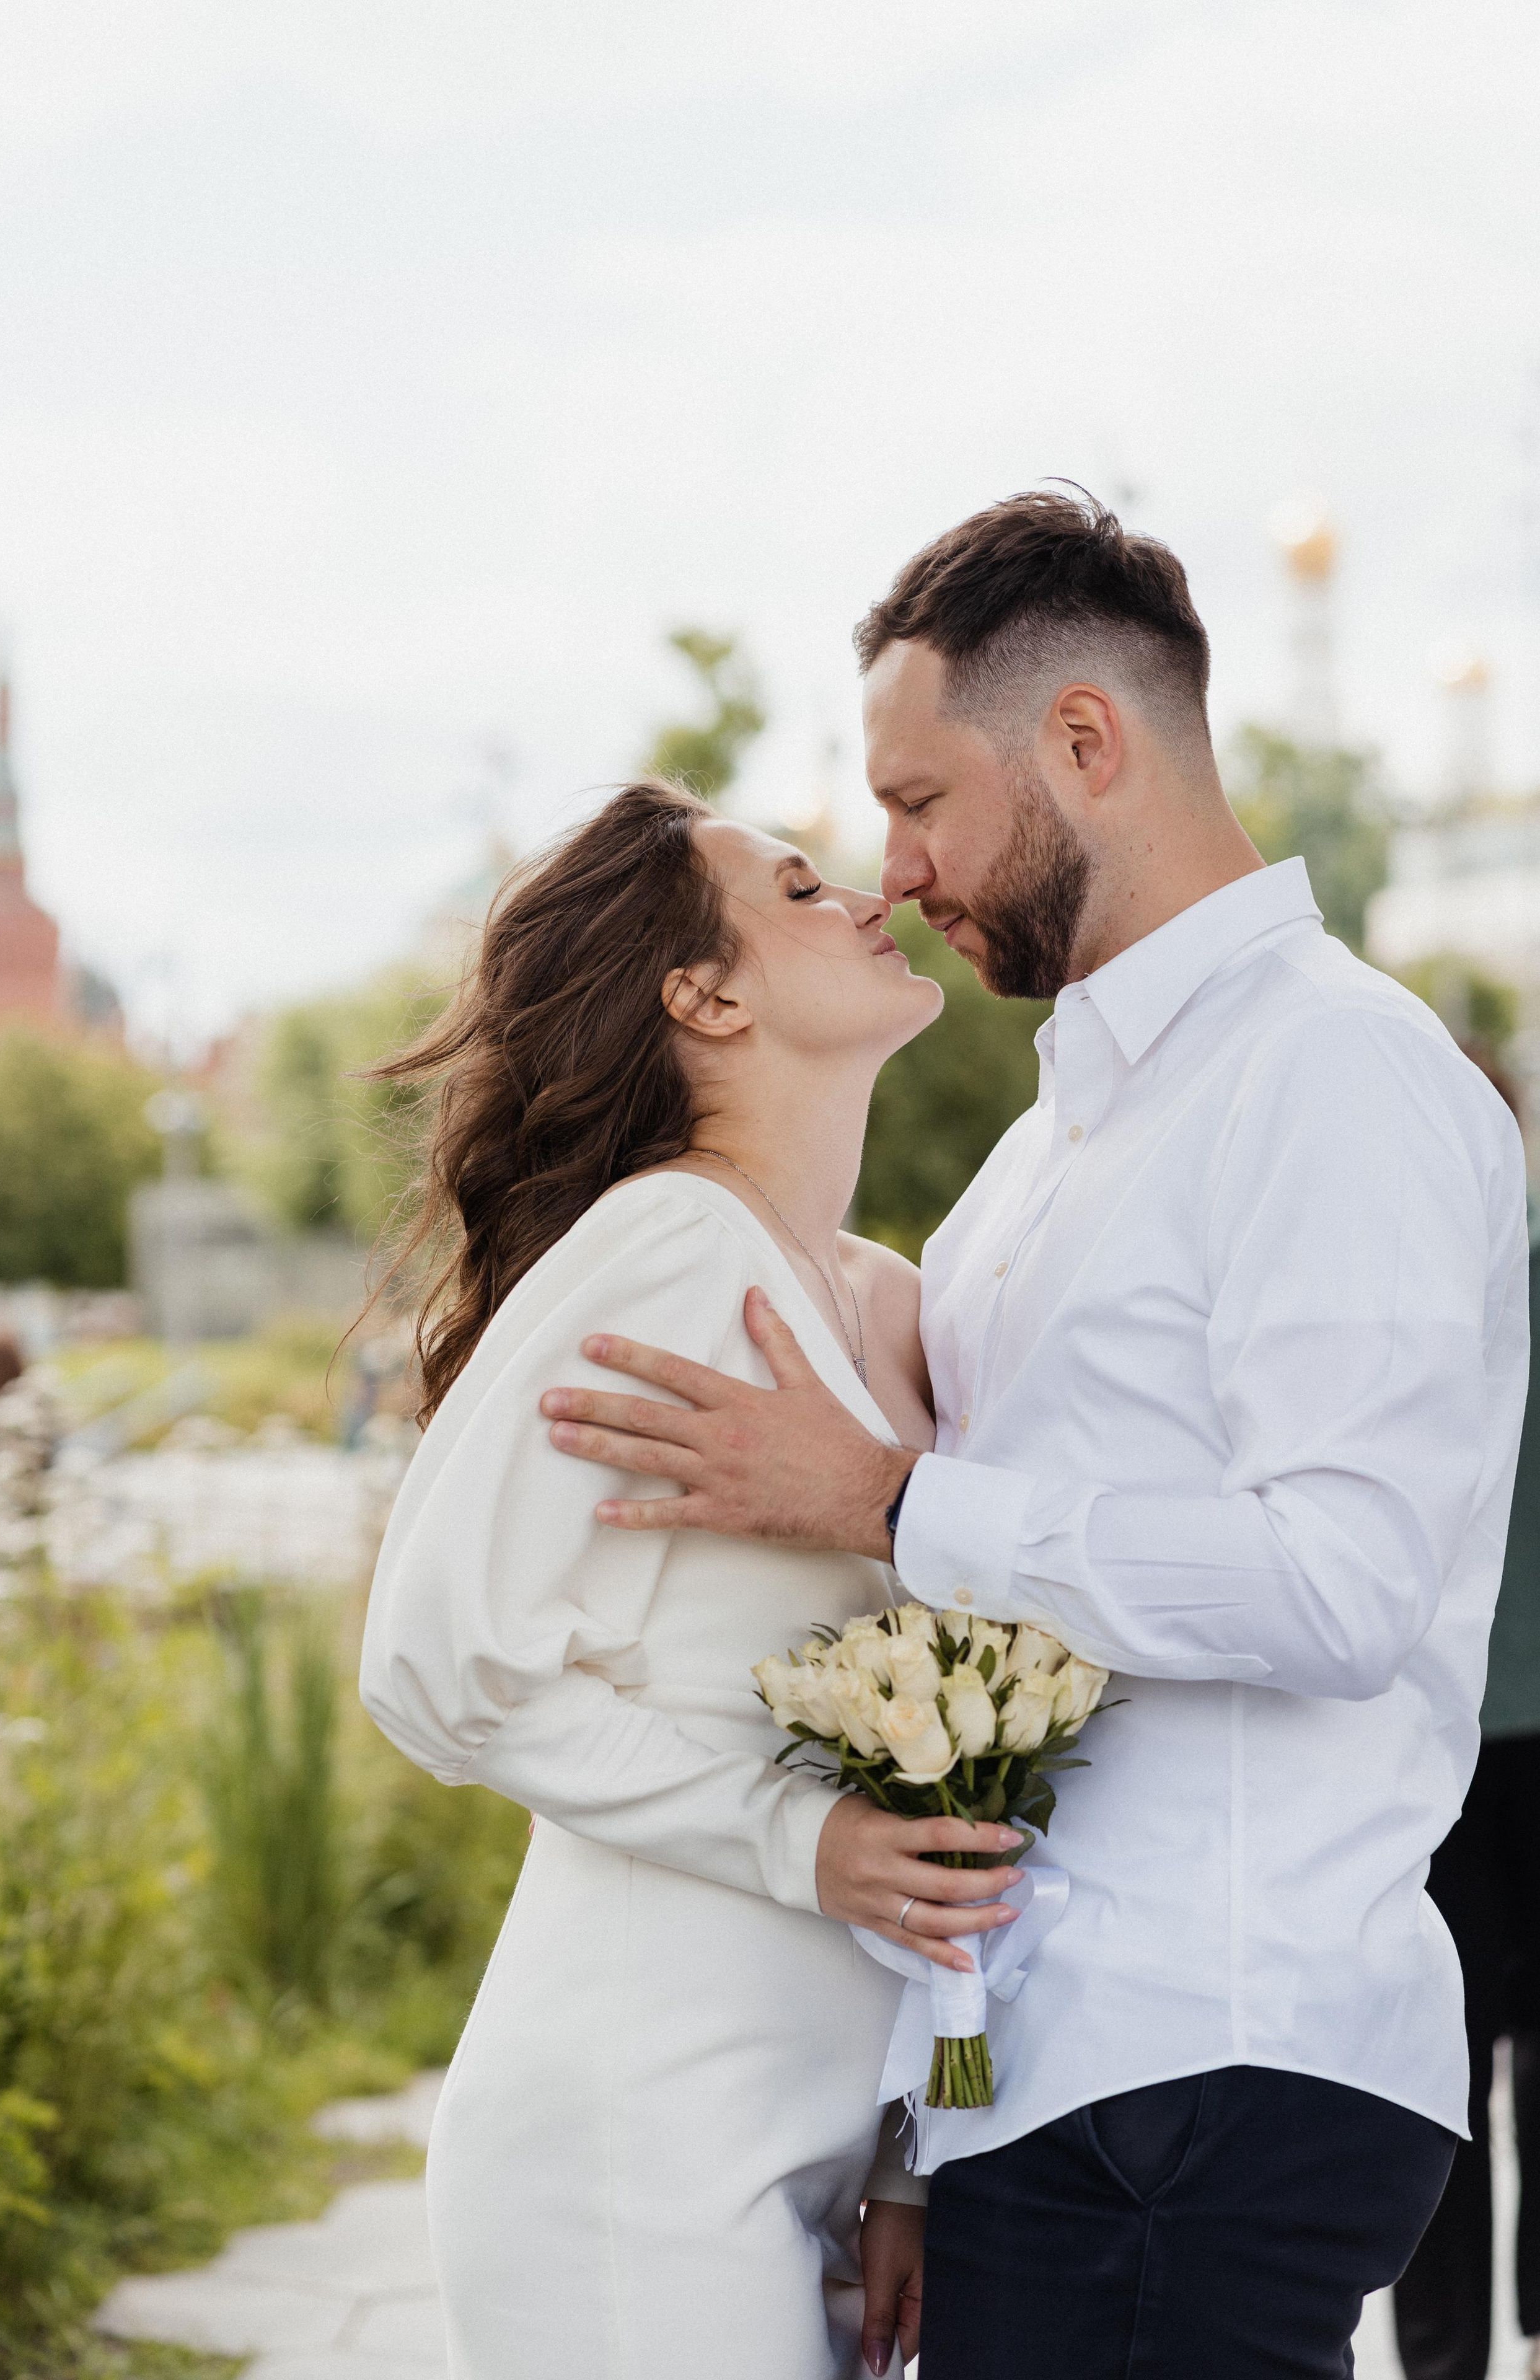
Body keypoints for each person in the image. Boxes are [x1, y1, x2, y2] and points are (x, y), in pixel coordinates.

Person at [540, 490, 1532, 2378]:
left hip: (1213, 2064)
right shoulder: (1031, 1166)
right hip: (1054, 2085)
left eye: (920, 801)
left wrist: (893, 1499)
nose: (897, 869)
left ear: (1086, 743)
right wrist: (933, 2120)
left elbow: (1343, 1587)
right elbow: (985, 1702)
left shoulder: (1337, 1073)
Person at [358, 778, 1026, 2380]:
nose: (865, 894)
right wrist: (803, 1843)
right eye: (799, 889)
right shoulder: (669, 1245)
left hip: (798, 2154)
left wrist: (905, 2159)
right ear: (703, 996)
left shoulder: (881, 1301)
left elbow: (945, 1773)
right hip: (627, 2147)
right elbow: (436, 1658)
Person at [1395, 1054, 1540, 2380]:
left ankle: (1443, 2360)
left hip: (1432, 1741)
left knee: (1437, 2071)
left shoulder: (1388, 1296)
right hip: (1452, 1740)